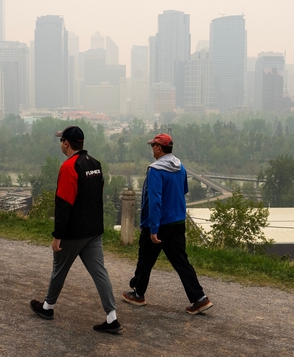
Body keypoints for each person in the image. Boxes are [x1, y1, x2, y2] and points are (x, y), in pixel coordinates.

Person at [30, 125, 122, 334]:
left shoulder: (68, 167)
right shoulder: (95, 165)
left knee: (59, 270)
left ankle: (47, 307)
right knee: (100, 273)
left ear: (66, 143)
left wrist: (57, 236)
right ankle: (112, 317)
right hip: (93, 231)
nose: (60, 143)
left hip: (73, 233)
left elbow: (64, 205)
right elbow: (97, 195)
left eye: (61, 140)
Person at [122, 133, 213, 315]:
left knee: (146, 258)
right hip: (177, 221)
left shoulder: (156, 170)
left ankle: (138, 294)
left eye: (152, 147)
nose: (152, 150)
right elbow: (184, 190)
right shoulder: (181, 167)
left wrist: (154, 228)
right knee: (181, 261)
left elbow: (155, 200)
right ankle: (199, 298)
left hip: (158, 223)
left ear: (158, 148)